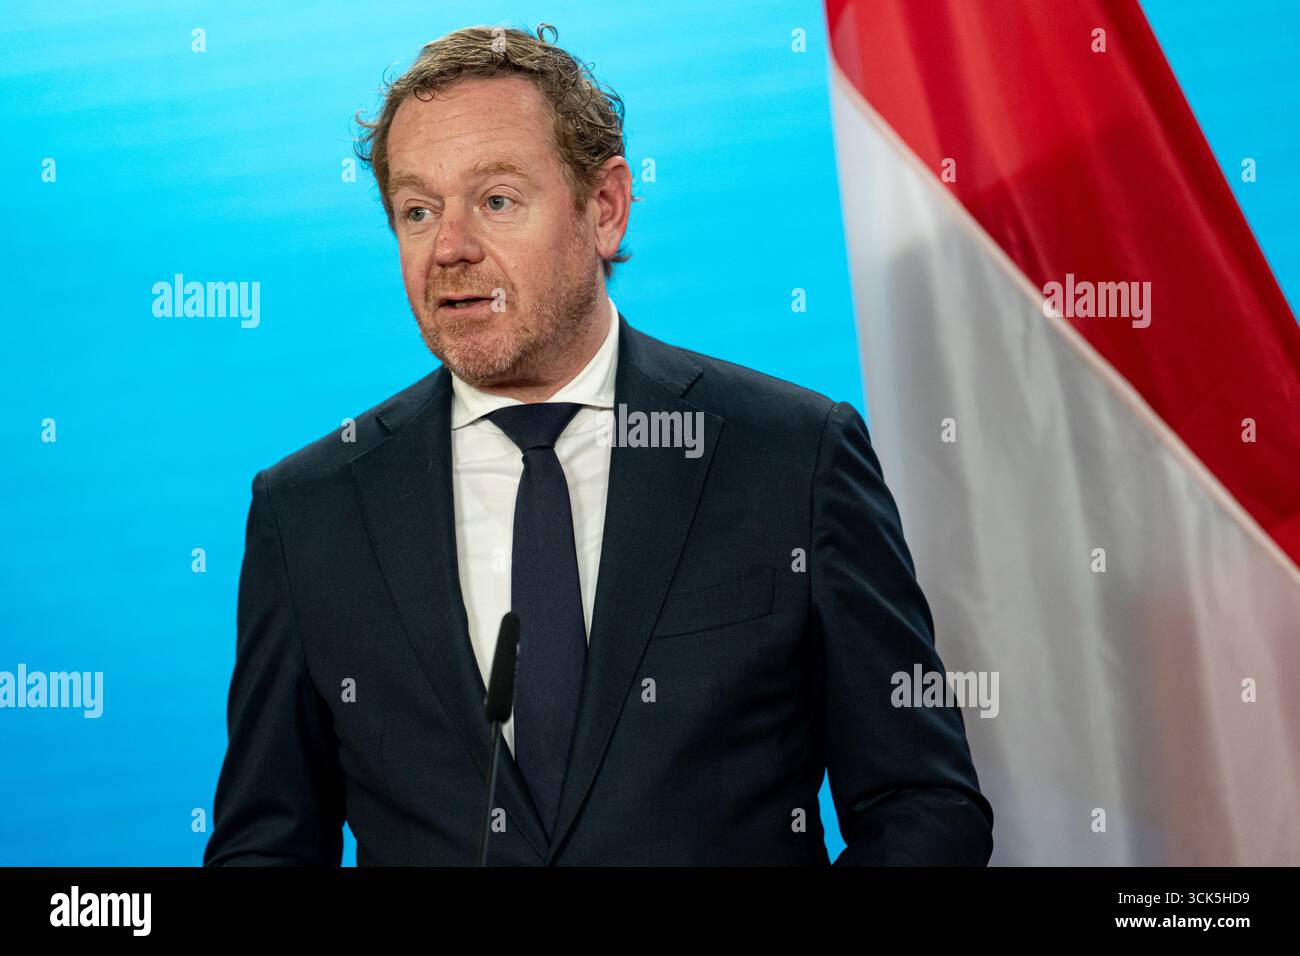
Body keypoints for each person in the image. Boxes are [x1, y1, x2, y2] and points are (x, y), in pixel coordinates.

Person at [203, 23, 993, 866]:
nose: (450, 248)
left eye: (497, 199)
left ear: (605, 208)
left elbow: (924, 804)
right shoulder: (311, 509)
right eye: (418, 209)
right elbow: (267, 843)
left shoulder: (792, 456)